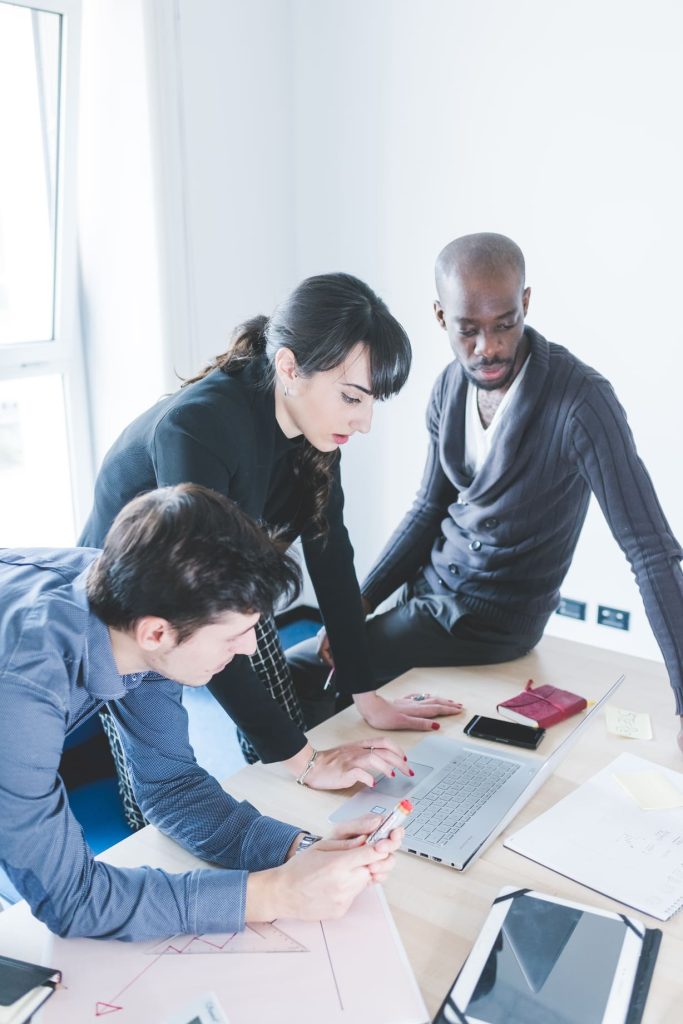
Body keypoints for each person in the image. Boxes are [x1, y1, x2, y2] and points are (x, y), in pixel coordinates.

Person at [79, 272, 461, 821]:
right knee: (159, 793)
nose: (365, 421)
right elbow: (199, 602)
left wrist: (367, 694)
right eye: (352, 397)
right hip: (126, 615)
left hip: (213, 586)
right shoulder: (200, 428)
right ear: (288, 367)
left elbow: (332, 555)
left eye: (371, 401)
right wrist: (305, 761)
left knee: (287, 740)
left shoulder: (313, 427)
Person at [287, 234, 683, 752]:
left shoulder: (582, 403)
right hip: (429, 598)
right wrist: (357, 604)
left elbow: (652, 552)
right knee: (316, 662)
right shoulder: (450, 387)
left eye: (504, 325)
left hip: (488, 620)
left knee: (302, 675)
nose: (488, 348)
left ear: (526, 303)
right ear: (439, 317)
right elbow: (428, 509)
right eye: (468, 330)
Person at [0, 484, 402, 940]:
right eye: (235, 634)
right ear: (157, 634)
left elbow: (172, 787)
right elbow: (72, 901)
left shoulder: (143, 610)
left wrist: (299, 851)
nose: (250, 648)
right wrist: (274, 895)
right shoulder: (23, 689)